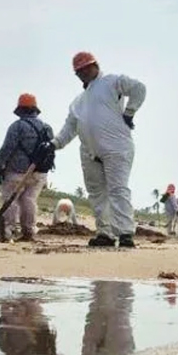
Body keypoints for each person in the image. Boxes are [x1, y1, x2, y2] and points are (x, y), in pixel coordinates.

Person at [51, 52, 146, 248]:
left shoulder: (111, 82)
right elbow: (69, 128)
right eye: (80, 71)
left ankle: (125, 233)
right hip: (89, 152)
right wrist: (54, 144)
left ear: (96, 65)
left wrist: (130, 112)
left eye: (87, 68)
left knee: (118, 190)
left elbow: (139, 88)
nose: (84, 72)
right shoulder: (78, 102)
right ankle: (105, 233)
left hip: (116, 147)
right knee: (96, 193)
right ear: (77, 74)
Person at [0, 93, 54, 242]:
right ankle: (28, 231)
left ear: (20, 111)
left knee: (10, 200)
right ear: (35, 110)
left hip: (16, 171)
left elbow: (7, 149)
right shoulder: (47, 128)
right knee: (29, 200)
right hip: (39, 173)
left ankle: (7, 231)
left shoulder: (17, 126)